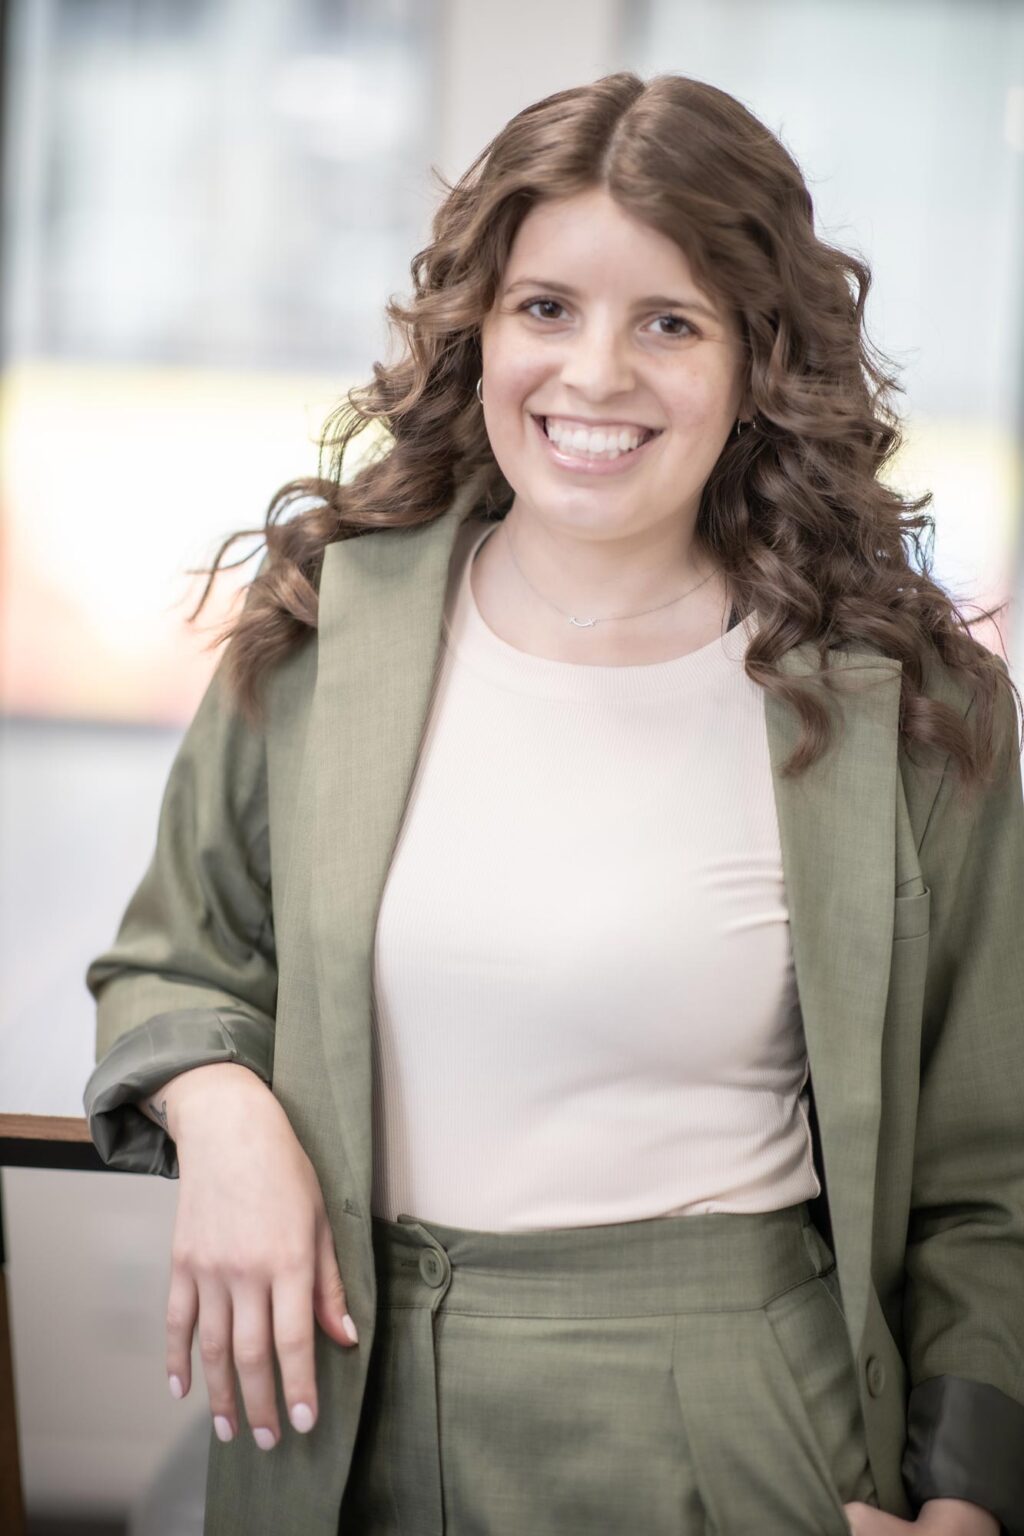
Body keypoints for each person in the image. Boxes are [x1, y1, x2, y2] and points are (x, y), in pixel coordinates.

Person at [82, 72, 1024, 1536]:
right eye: (546, 308)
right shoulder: (321, 635)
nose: (593, 374)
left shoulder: (912, 704)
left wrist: (968, 1503)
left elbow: (992, 1171)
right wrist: (224, 1114)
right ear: (478, 332)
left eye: (669, 320)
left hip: (733, 1416)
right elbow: (172, 958)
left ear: (760, 359)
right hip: (345, 1406)